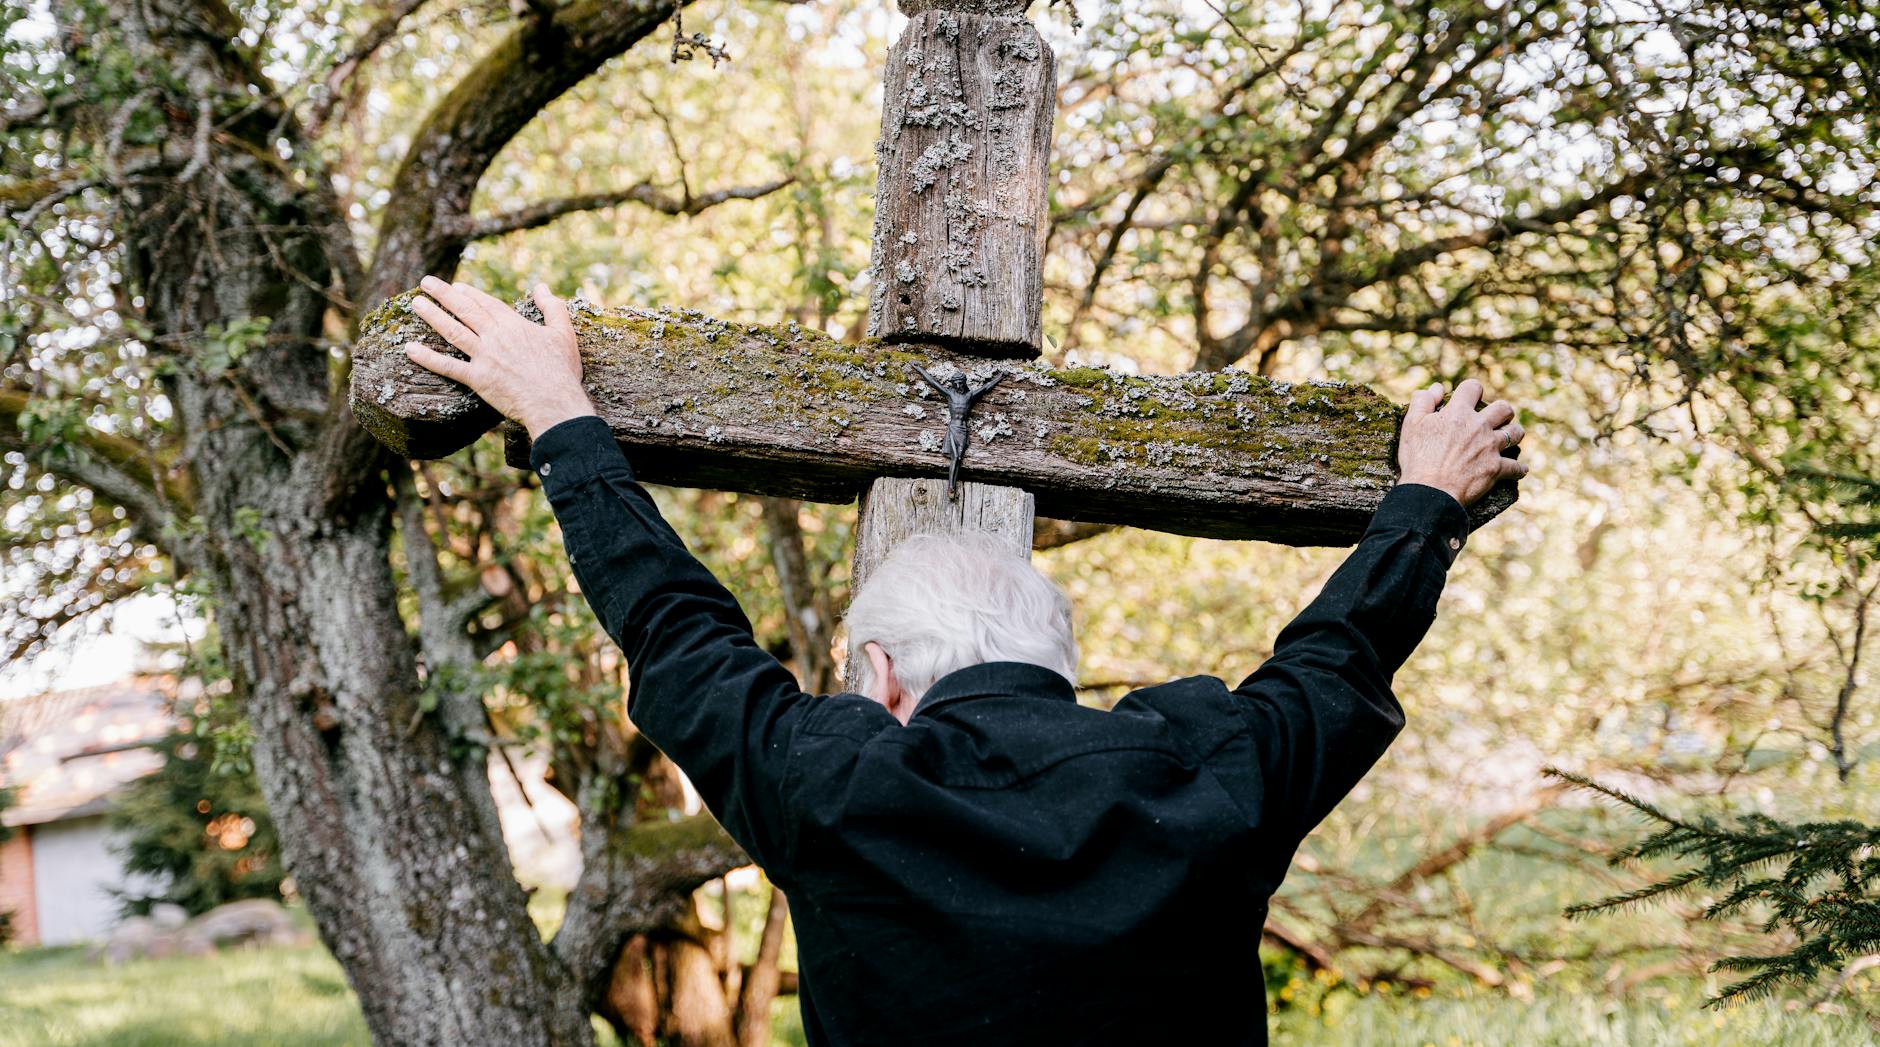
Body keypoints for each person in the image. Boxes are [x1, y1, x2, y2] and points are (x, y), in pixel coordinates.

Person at [404, 274, 1529, 1046]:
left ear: (880, 673)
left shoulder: (838, 790)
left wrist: (558, 411)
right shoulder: (1210, 772)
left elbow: (675, 628)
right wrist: (1424, 493)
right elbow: (1338, 657)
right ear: (1058, 657)